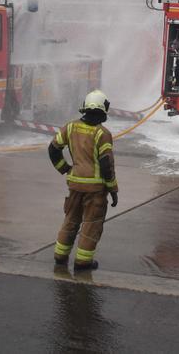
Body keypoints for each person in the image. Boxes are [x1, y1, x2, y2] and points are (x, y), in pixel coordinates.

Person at [48, 90, 118, 270]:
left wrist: (65, 169)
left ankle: (60, 256)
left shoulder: (70, 127)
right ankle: (83, 261)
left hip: (74, 185)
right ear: (102, 110)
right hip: (95, 190)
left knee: (70, 220)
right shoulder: (102, 134)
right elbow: (106, 165)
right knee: (91, 225)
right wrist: (113, 189)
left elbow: (53, 149)